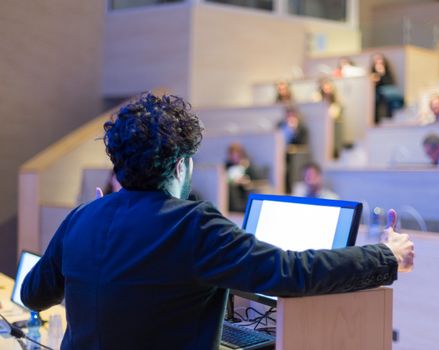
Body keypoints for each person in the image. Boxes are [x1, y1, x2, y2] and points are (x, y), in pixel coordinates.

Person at [21, 93, 414, 350]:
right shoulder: (192, 226)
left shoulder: (81, 218)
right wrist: (386, 255)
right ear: (179, 166)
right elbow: (292, 272)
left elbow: (34, 295)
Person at [370, 53, 404, 124]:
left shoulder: (387, 71)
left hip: (387, 93)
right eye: (376, 61)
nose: (378, 63)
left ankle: (390, 120)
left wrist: (382, 74)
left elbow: (390, 84)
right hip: (375, 94)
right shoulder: (372, 72)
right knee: (376, 100)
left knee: (392, 100)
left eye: (380, 61)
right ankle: (376, 122)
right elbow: (371, 85)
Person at [225, 143, 257, 212]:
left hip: (242, 190)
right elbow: (224, 177)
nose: (234, 157)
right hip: (229, 189)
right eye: (232, 155)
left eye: (236, 155)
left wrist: (244, 180)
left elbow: (253, 179)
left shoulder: (247, 166)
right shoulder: (227, 165)